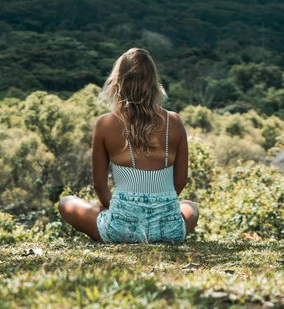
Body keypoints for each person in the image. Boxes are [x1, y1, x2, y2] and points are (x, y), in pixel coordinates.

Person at [58, 47, 199, 243]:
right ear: (153, 83)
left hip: (121, 230)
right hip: (169, 229)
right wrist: (158, 207)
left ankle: (117, 230)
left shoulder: (105, 124)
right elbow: (181, 180)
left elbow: (99, 184)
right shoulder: (174, 122)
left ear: (118, 83)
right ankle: (158, 231)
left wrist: (124, 212)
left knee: (66, 202)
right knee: (191, 206)